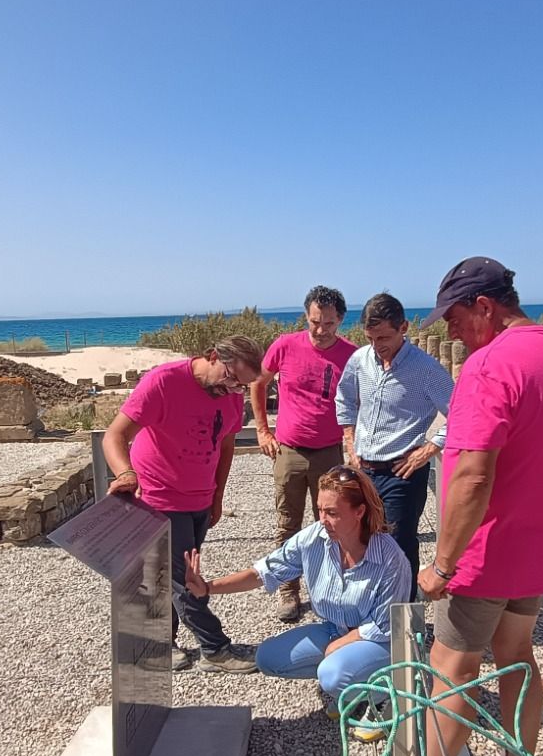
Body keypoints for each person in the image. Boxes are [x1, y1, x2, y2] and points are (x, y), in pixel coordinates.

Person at [360, 257, 543, 756]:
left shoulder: (490, 366)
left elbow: (470, 477)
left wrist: (442, 563)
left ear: (485, 306)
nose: (450, 332)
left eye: (457, 318)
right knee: (516, 655)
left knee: (452, 667)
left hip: (487, 550)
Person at [183, 466, 410, 719]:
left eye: (332, 513)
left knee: (331, 673)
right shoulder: (314, 538)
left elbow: (385, 626)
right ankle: (349, 685)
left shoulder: (390, 559)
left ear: (359, 512)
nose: (322, 520)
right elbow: (264, 571)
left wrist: (338, 647)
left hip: (381, 641)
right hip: (336, 628)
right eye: (320, 510)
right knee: (268, 658)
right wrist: (208, 587)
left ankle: (384, 693)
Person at [102, 335, 264, 674]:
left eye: (242, 386)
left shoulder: (231, 398)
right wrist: (126, 473)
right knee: (184, 581)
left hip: (199, 500)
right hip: (159, 497)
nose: (234, 389)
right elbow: (115, 435)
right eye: (231, 378)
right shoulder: (164, 382)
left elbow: (226, 446)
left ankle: (160, 644)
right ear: (213, 356)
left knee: (172, 577)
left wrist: (217, 496)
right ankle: (215, 649)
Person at [335, 292, 453, 598]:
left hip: (403, 472)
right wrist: (349, 441)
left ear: (404, 328)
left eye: (384, 336)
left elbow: (463, 414)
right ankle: (370, 610)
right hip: (363, 470)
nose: (378, 345)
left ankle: (403, 620)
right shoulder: (360, 360)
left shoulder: (426, 369)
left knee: (399, 546)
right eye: (371, 337)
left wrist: (430, 448)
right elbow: (344, 399)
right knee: (360, 539)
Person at [251, 285, 357, 623]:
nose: (321, 331)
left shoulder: (351, 355)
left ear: (340, 320)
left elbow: (362, 399)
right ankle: (288, 589)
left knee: (331, 524)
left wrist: (354, 442)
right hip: (290, 449)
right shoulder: (285, 345)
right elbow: (258, 381)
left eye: (328, 323)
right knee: (288, 523)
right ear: (306, 317)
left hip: (329, 451)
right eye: (314, 322)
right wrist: (262, 429)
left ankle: (327, 589)